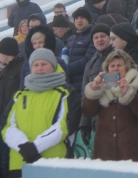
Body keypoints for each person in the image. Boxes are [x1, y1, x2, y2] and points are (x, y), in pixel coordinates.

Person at [2, 48, 80, 178]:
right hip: (19, 162)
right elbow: (7, 125)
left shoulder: (66, 92)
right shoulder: (20, 94)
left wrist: (36, 147)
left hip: (54, 161)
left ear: (53, 66)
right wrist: (24, 146)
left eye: (44, 64)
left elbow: (66, 124)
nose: (39, 68)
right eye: (35, 65)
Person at [82, 49, 138, 161]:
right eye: (112, 66)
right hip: (104, 150)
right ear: (107, 68)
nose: (115, 68)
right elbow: (88, 111)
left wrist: (128, 93)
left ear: (127, 66)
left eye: (119, 65)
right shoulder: (102, 85)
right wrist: (94, 89)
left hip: (130, 150)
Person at [110, 22, 138, 137]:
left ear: (125, 40)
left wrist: (105, 78)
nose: (111, 43)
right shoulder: (127, 57)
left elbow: (124, 80)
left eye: (114, 39)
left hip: (137, 122)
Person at [78, 23, 113, 147]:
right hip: (96, 124)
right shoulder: (90, 63)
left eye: (103, 36)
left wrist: (100, 83)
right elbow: (85, 95)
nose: (99, 40)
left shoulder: (118, 57)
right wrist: (84, 124)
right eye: (96, 37)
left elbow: (119, 82)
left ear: (110, 38)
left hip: (115, 121)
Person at [19, 24, 69, 89]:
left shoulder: (59, 62)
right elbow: (22, 88)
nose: (37, 46)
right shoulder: (26, 64)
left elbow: (66, 85)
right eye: (34, 43)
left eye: (40, 42)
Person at [0, 38, 23, 177]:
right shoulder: (5, 69)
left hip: (11, 122)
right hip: (3, 120)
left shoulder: (20, 68)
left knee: (6, 160)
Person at [66, 7, 96, 92]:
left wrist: (68, 69)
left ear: (88, 20)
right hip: (71, 82)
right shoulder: (70, 39)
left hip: (84, 80)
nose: (79, 20)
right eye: (77, 18)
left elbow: (87, 59)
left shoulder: (93, 36)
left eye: (82, 18)